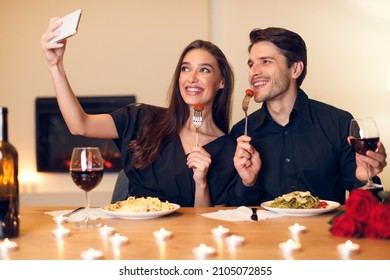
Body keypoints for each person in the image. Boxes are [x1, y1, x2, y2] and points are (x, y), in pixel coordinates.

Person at [41, 17, 243, 207]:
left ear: (221, 81)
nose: (192, 78)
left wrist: (201, 183)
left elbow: (204, 225)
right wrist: (55, 65)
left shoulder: (229, 151)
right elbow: (80, 125)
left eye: (204, 70)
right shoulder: (142, 119)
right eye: (185, 69)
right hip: (130, 234)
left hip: (181, 240)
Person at [231, 27, 387, 205]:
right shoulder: (241, 133)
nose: (253, 72)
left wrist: (363, 178)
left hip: (324, 233)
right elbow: (234, 212)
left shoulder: (339, 123)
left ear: (295, 69)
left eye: (265, 61)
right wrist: (248, 183)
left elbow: (371, 208)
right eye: (251, 64)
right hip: (265, 232)